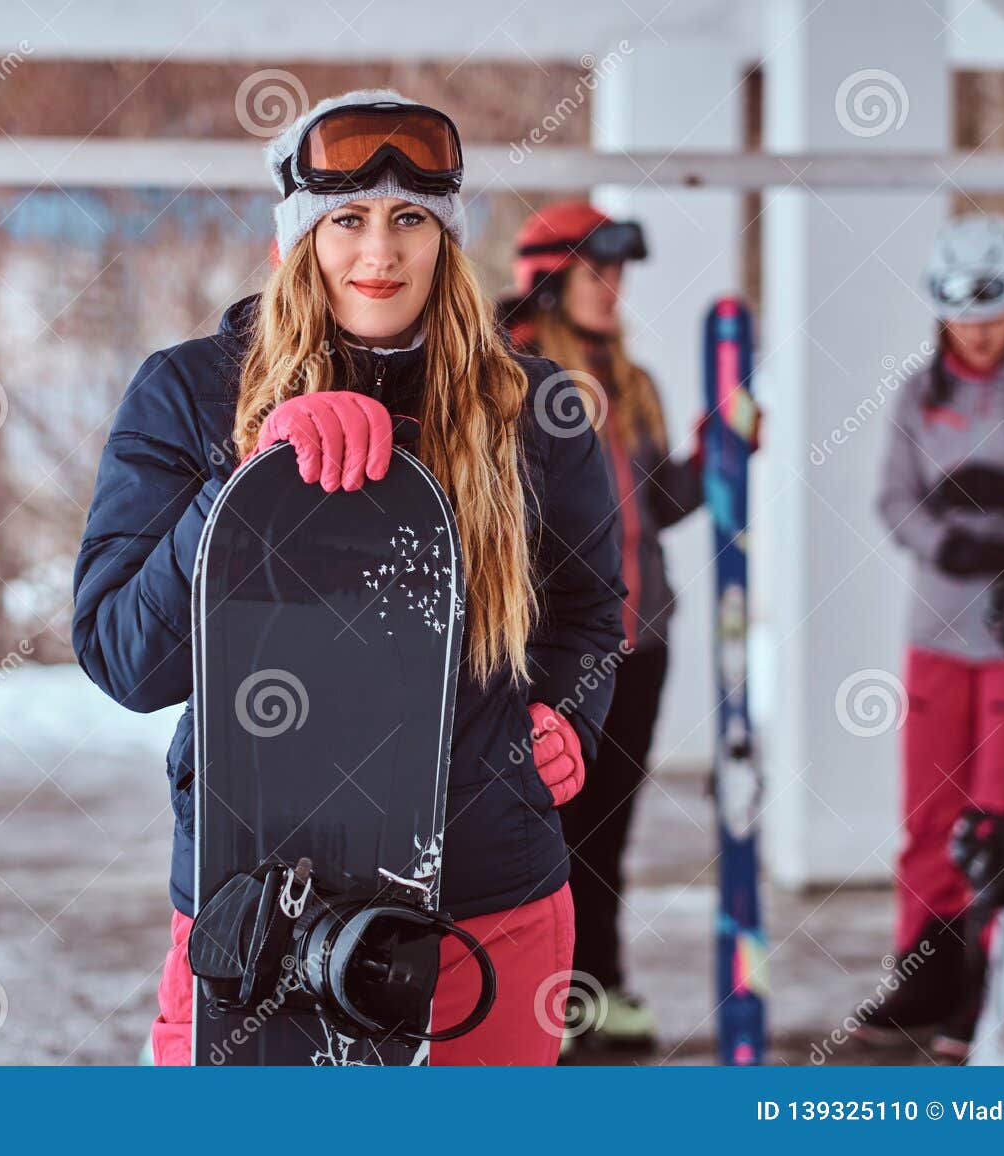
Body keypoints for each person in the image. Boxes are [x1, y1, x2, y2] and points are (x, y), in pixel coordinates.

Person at [73, 91, 626, 1065]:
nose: (381, 252)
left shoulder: (533, 407)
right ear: (296, 240)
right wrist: (249, 489)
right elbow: (126, 657)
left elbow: (587, 611)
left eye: (411, 219)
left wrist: (568, 720)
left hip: (490, 894)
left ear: (446, 240)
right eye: (347, 220)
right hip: (257, 905)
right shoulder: (191, 392)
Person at [500, 202, 756, 1055]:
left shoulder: (631, 380)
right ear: (549, 280)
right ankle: (543, 1002)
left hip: (638, 643)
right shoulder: (514, 376)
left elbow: (654, 506)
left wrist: (721, 449)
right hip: (552, 648)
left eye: (618, 276)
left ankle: (599, 987)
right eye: (595, 274)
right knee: (549, 826)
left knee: (610, 826)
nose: (613, 292)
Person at [853, 214, 1004, 1060]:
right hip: (936, 629)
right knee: (931, 811)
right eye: (958, 319)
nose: (973, 335)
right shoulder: (919, 393)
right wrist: (951, 541)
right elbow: (895, 501)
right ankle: (929, 966)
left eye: (990, 316)